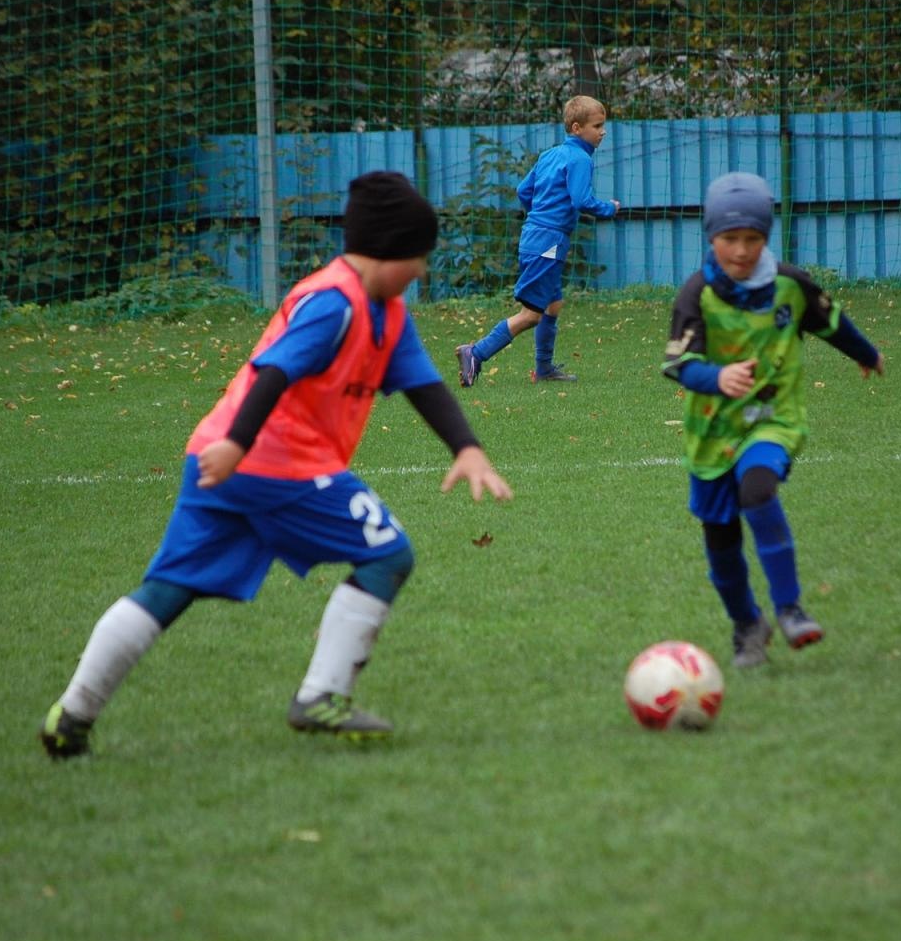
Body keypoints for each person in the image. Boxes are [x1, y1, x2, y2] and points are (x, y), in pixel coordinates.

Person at [41, 172, 512, 758]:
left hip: (218, 458)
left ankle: (73, 714)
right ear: (383, 251)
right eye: (416, 258)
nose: (421, 271)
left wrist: (465, 446)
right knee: (389, 553)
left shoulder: (387, 313)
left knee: (169, 588)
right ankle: (321, 696)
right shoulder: (333, 302)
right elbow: (275, 371)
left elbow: (424, 385)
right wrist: (241, 444)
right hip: (273, 461)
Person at [662, 172, 883, 668]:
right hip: (712, 434)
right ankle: (747, 625)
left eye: (753, 239)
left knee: (758, 490)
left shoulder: (791, 284)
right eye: (729, 239)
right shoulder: (697, 293)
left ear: (766, 237)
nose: (741, 250)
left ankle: (790, 609)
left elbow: (831, 321)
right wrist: (717, 377)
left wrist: (866, 353)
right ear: (711, 237)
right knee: (721, 544)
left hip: (773, 421)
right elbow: (680, 366)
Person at [456, 95, 619, 386]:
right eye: (598, 126)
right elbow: (581, 199)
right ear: (577, 127)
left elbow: (522, 190)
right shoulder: (580, 158)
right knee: (531, 314)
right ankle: (475, 352)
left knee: (553, 305)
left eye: (603, 126)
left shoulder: (550, 155)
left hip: (537, 236)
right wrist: (609, 208)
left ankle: (544, 370)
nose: (603, 132)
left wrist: (538, 218)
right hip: (548, 240)